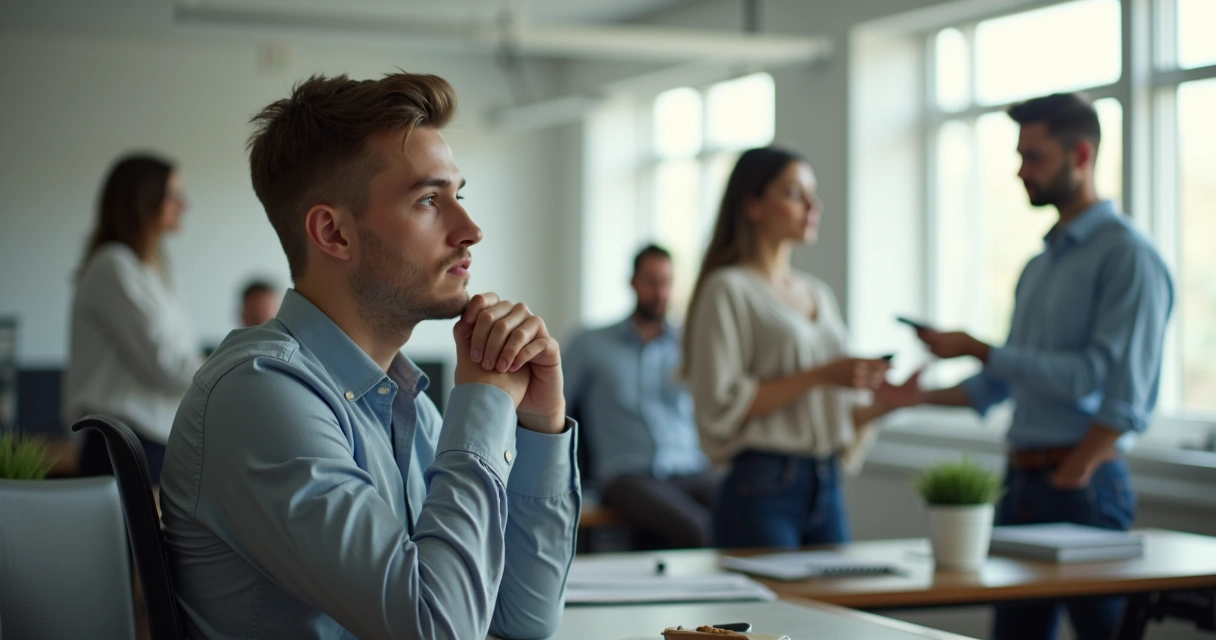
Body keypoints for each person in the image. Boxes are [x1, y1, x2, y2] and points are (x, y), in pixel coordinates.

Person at [159, 72, 579, 640]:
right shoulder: (258, 394)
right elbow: (439, 629)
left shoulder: (405, 405)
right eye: (430, 200)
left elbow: (523, 622)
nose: (470, 229)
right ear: (333, 233)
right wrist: (482, 404)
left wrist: (539, 427)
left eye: (460, 195)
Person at [884, 93, 1173, 640]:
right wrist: (914, 398)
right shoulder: (1039, 267)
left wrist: (1075, 470)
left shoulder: (1128, 256)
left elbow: (1107, 384)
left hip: (1081, 484)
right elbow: (999, 385)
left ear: (1080, 155)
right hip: (1021, 483)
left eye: (1034, 156)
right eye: (1020, 156)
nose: (1021, 170)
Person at [683, 147, 917, 549]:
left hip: (826, 482)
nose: (813, 205)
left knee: (839, 610)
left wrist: (890, 403)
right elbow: (719, 405)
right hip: (760, 487)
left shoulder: (817, 294)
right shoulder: (728, 289)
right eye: (795, 193)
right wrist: (824, 374)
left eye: (812, 193)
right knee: (774, 613)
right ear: (752, 205)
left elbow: (831, 415)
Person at [563, 244, 716, 549]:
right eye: (652, 281)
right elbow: (553, 404)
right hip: (627, 475)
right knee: (699, 529)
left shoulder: (688, 345)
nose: (661, 292)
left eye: (667, 282)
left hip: (689, 468)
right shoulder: (591, 344)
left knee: (749, 508)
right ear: (633, 282)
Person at [64, 153, 200, 482]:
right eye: (173, 195)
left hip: (152, 439)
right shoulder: (113, 266)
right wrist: (228, 368)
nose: (184, 205)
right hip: (123, 444)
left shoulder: (153, 271)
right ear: (142, 200)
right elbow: (165, 364)